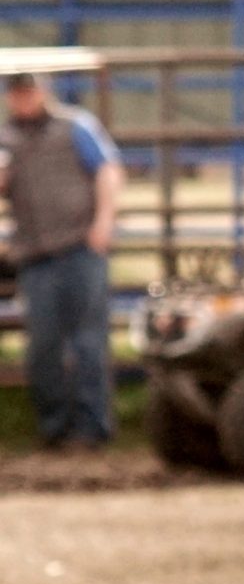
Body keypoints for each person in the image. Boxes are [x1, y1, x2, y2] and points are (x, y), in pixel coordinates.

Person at [2, 70, 123, 451]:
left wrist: (103, 222)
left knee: (89, 341)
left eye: (29, 91)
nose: (23, 99)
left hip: (79, 247)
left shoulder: (77, 126)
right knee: (43, 346)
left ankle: (92, 428)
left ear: (43, 91)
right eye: (17, 93)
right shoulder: (6, 138)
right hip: (35, 254)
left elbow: (107, 170)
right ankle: (53, 427)